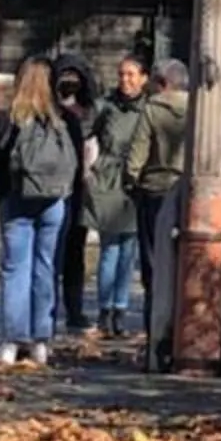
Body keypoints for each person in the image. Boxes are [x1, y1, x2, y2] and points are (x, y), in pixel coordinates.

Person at [0, 54, 78, 366]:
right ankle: (42, 339)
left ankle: (12, 339)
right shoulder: (65, 119)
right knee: (46, 267)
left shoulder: (8, 118)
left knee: (15, 269)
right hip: (54, 201)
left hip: (16, 200)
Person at [87, 56, 150, 338]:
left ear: (144, 78)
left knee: (129, 250)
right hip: (109, 179)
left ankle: (121, 309)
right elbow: (88, 133)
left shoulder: (149, 108)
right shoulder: (107, 106)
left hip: (137, 181)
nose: (126, 80)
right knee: (110, 248)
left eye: (132, 75)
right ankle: (105, 310)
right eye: (122, 74)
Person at [125, 59, 189, 310]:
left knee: (153, 261)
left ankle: (155, 323)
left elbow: (137, 154)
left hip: (154, 190)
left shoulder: (151, 109)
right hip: (186, 190)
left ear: (162, 83)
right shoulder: (198, 108)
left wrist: (131, 180)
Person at [51, 54, 98, 337]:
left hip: (81, 187)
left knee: (74, 254)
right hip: (56, 186)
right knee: (51, 253)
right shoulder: (50, 109)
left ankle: (74, 308)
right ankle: (51, 308)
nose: (70, 84)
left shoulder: (90, 111)